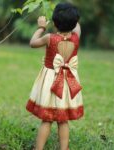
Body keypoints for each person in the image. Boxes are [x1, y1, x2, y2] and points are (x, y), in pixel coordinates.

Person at [26, 2, 84, 150]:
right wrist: (71, 17)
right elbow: (76, 25)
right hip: (67, 81)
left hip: (50, 82)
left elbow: (32, 43)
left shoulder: (49, 37)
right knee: (63, 120)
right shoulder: (76, 37)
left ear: (55, 23)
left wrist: (41, 27)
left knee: (47, 119)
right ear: (74, 21)